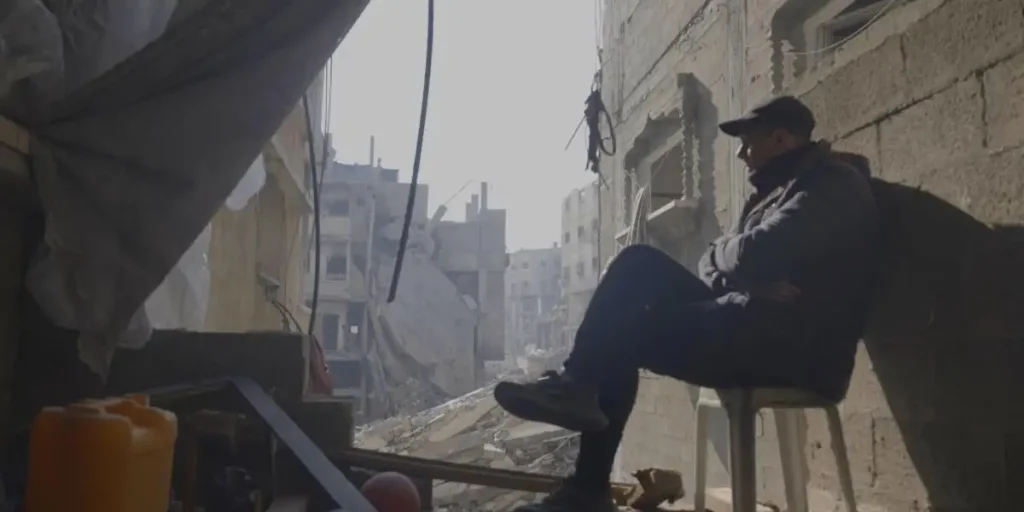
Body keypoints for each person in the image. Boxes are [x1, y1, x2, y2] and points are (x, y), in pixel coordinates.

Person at [494, 96, 881, 511]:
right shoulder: (775, 194)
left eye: (748, 143)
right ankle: (580, 396)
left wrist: (740, 263)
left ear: (781, 139)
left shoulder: (833, 185)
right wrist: (743, 271)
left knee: (622, 334)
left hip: (795, 348)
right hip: (752, 322)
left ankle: (585, 480)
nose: (741, 153)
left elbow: (758, 252)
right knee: (636, 263)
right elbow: (714, 262)